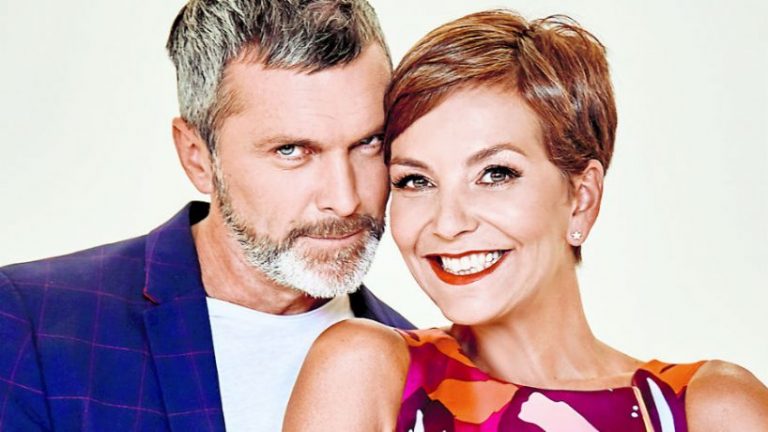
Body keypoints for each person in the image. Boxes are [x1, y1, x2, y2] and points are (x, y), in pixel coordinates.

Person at [284, 9, 768, 431]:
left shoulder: (706, 408)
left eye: (495, 174)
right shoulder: (368, 369)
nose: (447, 224)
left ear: (581, 198)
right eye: (416, 180)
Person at [0, 0, 412, 430]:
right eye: (291, 150)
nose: (345, 200)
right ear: (197, 157)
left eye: (370, 143)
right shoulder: (35, 324)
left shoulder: (426, 369)